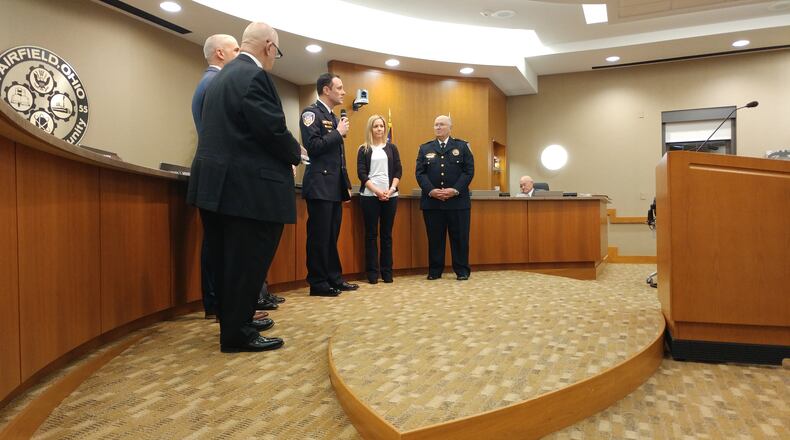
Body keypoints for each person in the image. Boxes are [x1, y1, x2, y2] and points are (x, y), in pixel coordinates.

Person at [187, 22, 301, 353]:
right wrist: (297, 155)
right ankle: (237, 334)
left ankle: (235, 320)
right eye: (276, 52)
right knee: (246, 261)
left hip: (217, 186)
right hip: (246, 190)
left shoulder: (221, 76)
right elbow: (273, 130)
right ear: (268, 46)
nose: (274, 59)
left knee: (228, 259)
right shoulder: (254, 77)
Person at [190, 34, 239, 320]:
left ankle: (217, 303)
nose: (239, 53)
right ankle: (219, 304)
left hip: (212, 171)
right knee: (219, 242)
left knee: (217, 241)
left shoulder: (209, 82)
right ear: (220, 53)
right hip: (216, 172)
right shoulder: (214, 83)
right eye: (235, 49)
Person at [300, 73, 359, 296]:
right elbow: (313, 146)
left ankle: (334, 278)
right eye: (340, 87)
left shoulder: (333, 117)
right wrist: (338, 133)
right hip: (319, 185)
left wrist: (345, 186)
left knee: (331, 235)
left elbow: (339, 159)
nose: (344, 92)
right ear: (327, 89)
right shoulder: (311, 114)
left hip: (333, 186)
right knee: (319, 236)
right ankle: (318, 282)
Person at [415, 115, 474, 281]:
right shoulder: (425, 148)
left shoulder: (462, 147)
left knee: (460, 238)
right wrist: (431, 190)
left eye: (441, 124)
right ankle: (435, 271)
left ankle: (462, 270)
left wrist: (455, 190)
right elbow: (420, 173)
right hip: (432, 202)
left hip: (457, 202)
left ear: (450, 127)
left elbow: (468, 171)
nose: (438, 127)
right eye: (435, 125)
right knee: (435, 238)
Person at [356, 115, 402, 284]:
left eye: (381, 126)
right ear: (370, 129)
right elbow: (361, 174)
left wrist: (390, 190)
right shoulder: (363, 149)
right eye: (376, 126)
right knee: (370, 235)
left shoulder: (392, 148)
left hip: (390, 196)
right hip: (370, 197)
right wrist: (376, 191)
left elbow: (398, 171)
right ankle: (373, 274)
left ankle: (387, 273)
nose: (379, 129)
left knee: (386, 235)